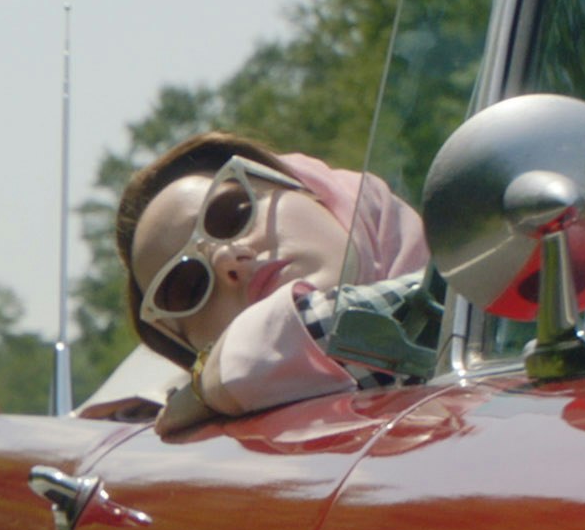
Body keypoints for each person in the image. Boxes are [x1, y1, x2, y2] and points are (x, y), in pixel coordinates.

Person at [101, 131, 431, 428]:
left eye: (233, 213)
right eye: (189, 286)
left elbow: (421, 314)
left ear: (314, 193)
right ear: (195, 351)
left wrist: (223, 378)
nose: (228, 259)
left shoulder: (473, 279)